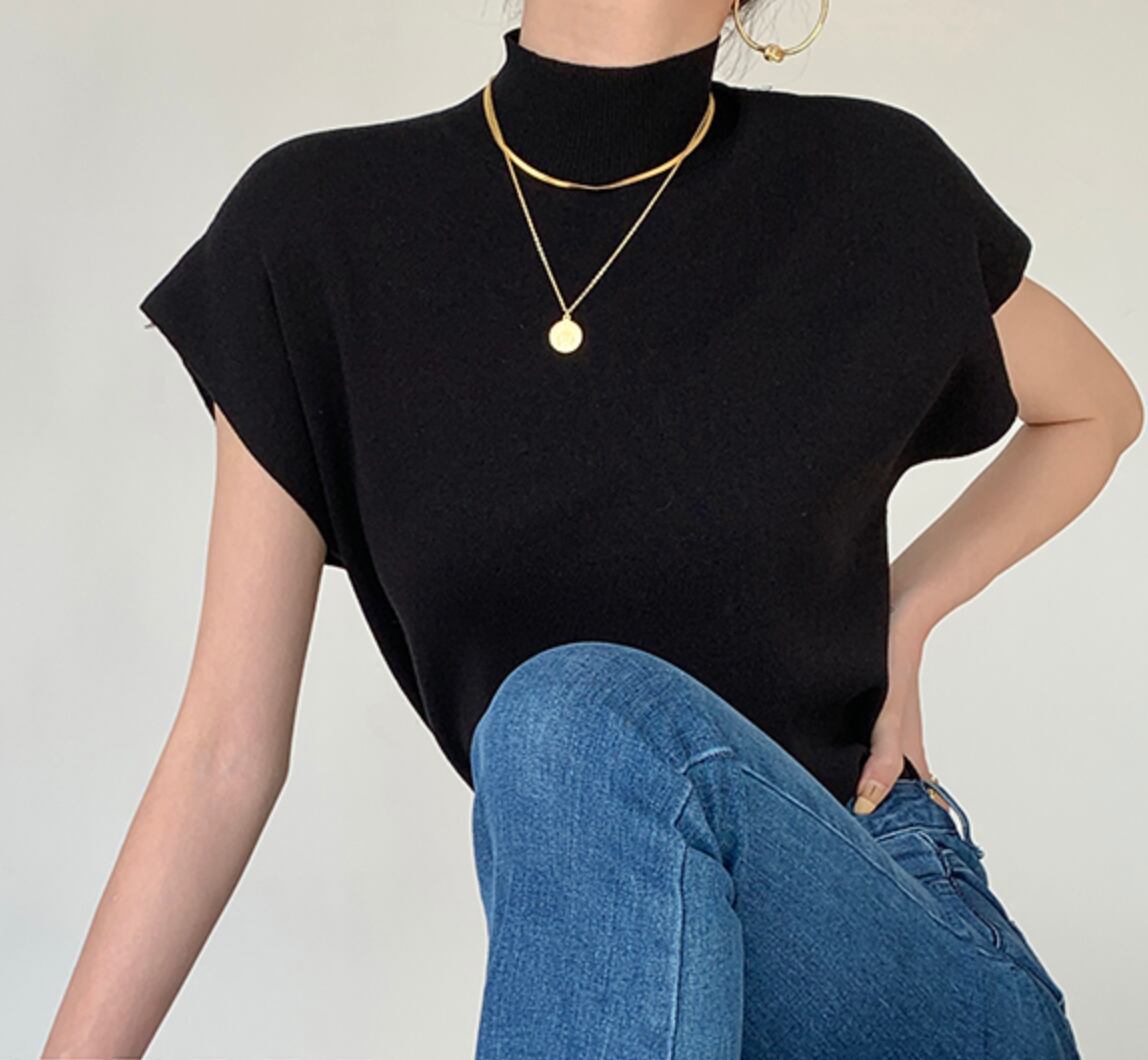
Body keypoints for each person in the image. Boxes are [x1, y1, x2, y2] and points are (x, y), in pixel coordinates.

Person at [45, 1, 1141, 1057]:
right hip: (638, 989)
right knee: (562, 723)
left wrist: (907, 606)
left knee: (565, 713)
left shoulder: (869, 185)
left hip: (886, 926)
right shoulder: (315, 230)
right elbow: (223, 753)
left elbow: (1095, 408)